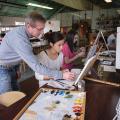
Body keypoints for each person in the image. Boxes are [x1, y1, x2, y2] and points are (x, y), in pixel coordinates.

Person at [0, 12, 75, 94]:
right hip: (2, 67)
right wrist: (61, 75)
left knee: (15, 93)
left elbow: (15, 53)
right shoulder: (20, 39)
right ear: (29, 26)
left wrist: (16, 68)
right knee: (6, 96)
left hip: (12, 66)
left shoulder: (22, 32)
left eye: (43, 28)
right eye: (40, 29)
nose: (42, 32)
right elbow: (36, 66)